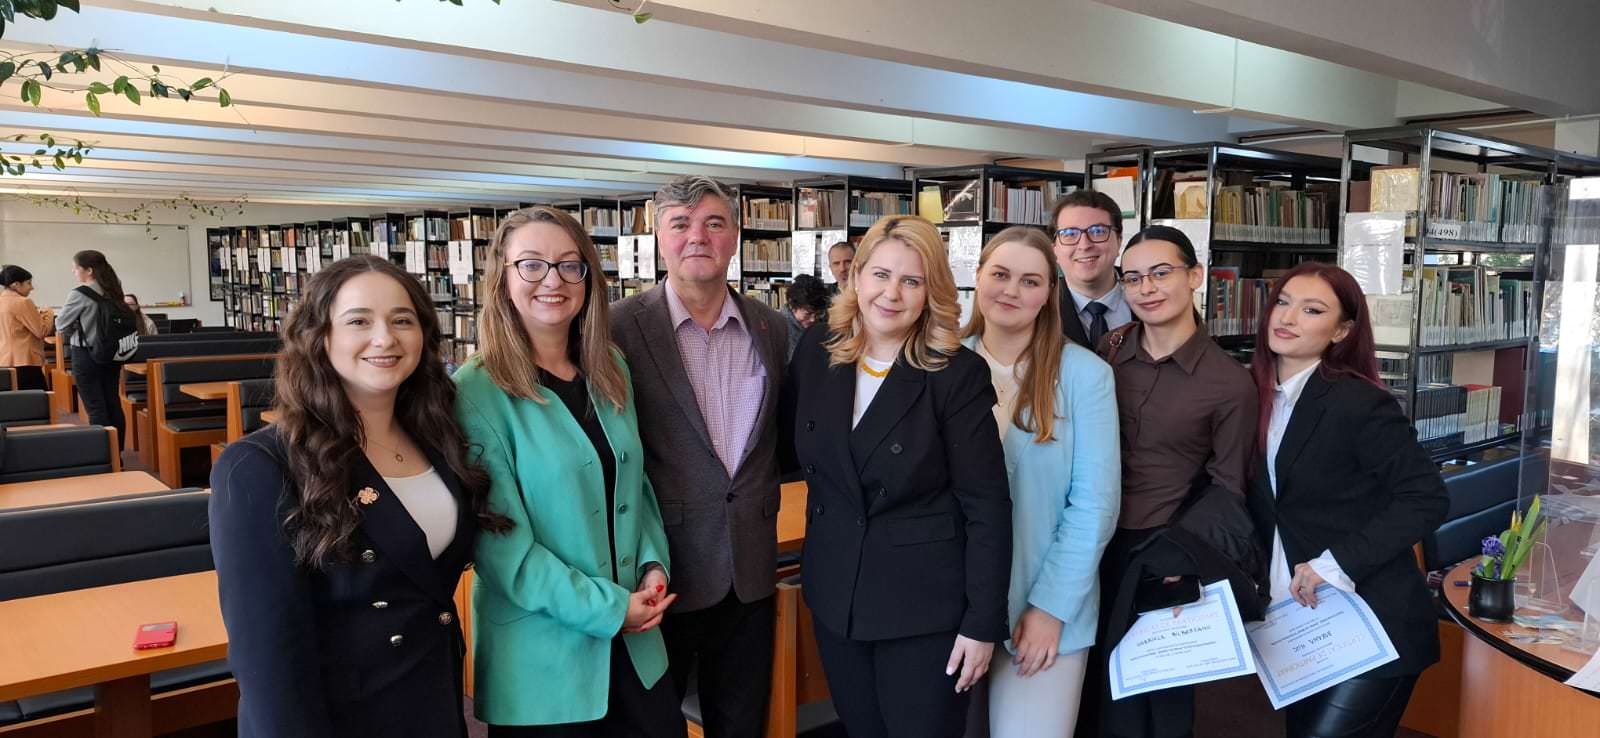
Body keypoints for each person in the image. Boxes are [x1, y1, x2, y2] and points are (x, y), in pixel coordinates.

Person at [209, 255, 508, 737]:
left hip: (432, 699)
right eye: (359, 321)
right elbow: (267, 656)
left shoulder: (441, 440)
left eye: (402, 320)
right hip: (338, 717)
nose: (385, 338)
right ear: (319, 336)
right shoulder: (260, 466)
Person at [781, 215, 1012, 738]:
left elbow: (988, 507)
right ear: (856, 277)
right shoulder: (819, 351)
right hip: (836, 593)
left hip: (924, 609)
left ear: (931, 292)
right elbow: (790, 449)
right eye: (881, 275)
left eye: (911, 281)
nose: (891, 293)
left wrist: (982, 624)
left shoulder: (956, 373)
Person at [458, 206, 683, 737]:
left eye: (568, 264)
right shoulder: (473, 392)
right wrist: (611, 609)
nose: (553, 280)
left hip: (637, 645)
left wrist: (653, 564)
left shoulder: (609, 367)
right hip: (543, 666)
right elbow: (502, 548)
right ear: (502, 278)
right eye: (531, 264)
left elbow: (634, 483)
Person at [609, 175, 788, 738]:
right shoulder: (615, 328)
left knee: (741, 723)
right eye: (680, 224)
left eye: (714, 223)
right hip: (659, 572)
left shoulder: (773, 328)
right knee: (651, 726)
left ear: (735, 235)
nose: (698, 237)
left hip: (750, 569)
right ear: (658, 238)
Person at [1246, 262, 1448, 738]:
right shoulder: (1249, 396)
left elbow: (1426, 497)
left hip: (1372, 623)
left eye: (1312, 310)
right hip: (1296, 623)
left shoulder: (1358, 402)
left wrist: (1334, 563)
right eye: (1283, 302)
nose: (1288, 317)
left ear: (1341, 331)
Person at [1079, 225, 1258, 738]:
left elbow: (1229, 485)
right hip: (1090, 538)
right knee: (1090, 683)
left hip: (1162, 549)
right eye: (1133, 278)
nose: (1147, 289)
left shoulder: (1229, 382)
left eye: (1161, 273)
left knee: (1155, 694)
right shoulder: (1109, 351)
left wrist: (1183, 559)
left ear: (1195, 276)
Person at [960, 227, 1120, 738]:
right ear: (977, 277)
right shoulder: (939, 364)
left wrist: (1050, 607)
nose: (1011, 290)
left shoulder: (1085, 375)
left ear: (1050, 292)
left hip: (1044, 604)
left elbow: (1094, 505)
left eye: (1030, 281)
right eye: (1000, 274)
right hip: (950, 603)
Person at [54, 250, 137, 436]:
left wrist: (76, 326)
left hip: (86, 355)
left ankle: (105, 451)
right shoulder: (113, 290)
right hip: (111, 353)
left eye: (76, 268)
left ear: (89, 270)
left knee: (95, 407)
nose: (73, 271)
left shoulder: (80, 293)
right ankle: (117, 450)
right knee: (112, 403)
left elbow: (60, 324)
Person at [1051, 190, 1133, 349]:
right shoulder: (1038, 308)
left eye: (1098, 231)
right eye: (1069, 234)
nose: (1084, 245)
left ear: (1119, 241)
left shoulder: (1150, 297)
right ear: (1055, 250)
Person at [0, 265, 52, 390]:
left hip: (4, 359)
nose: (32, 287)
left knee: (14, 399)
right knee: (38, 399)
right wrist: (48, 315)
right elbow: (41, 331)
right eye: (28, 283)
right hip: (25, 360)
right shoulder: (23, 302)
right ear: (16, 284)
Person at [783, 274, 831, 361]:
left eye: (818, 313)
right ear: (792, 306)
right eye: (808, 314)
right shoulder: (781, 329)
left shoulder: (822, 319)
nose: (813, 319)